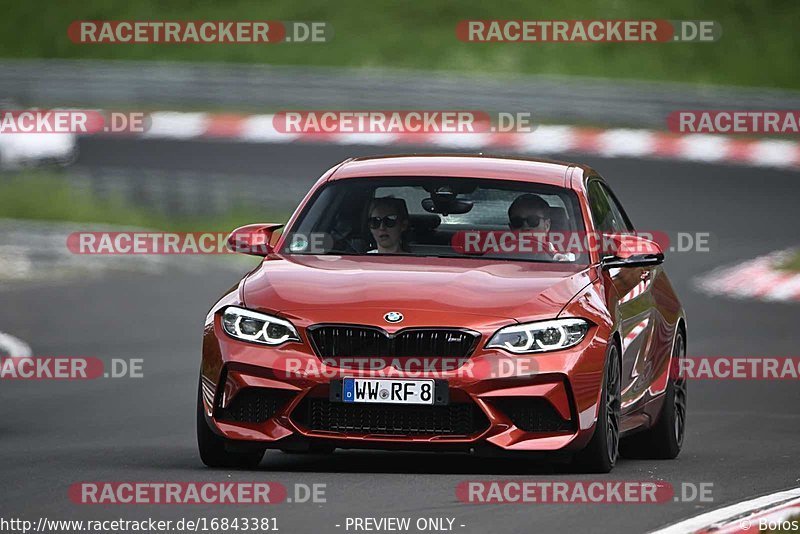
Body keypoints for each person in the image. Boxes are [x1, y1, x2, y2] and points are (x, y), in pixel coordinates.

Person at [508, 193, 573, 261]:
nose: (525, 226)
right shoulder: (498, 255)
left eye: (533, 220)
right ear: (511, 228)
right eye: (517, 221)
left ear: (546, 225)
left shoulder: (563, 260)